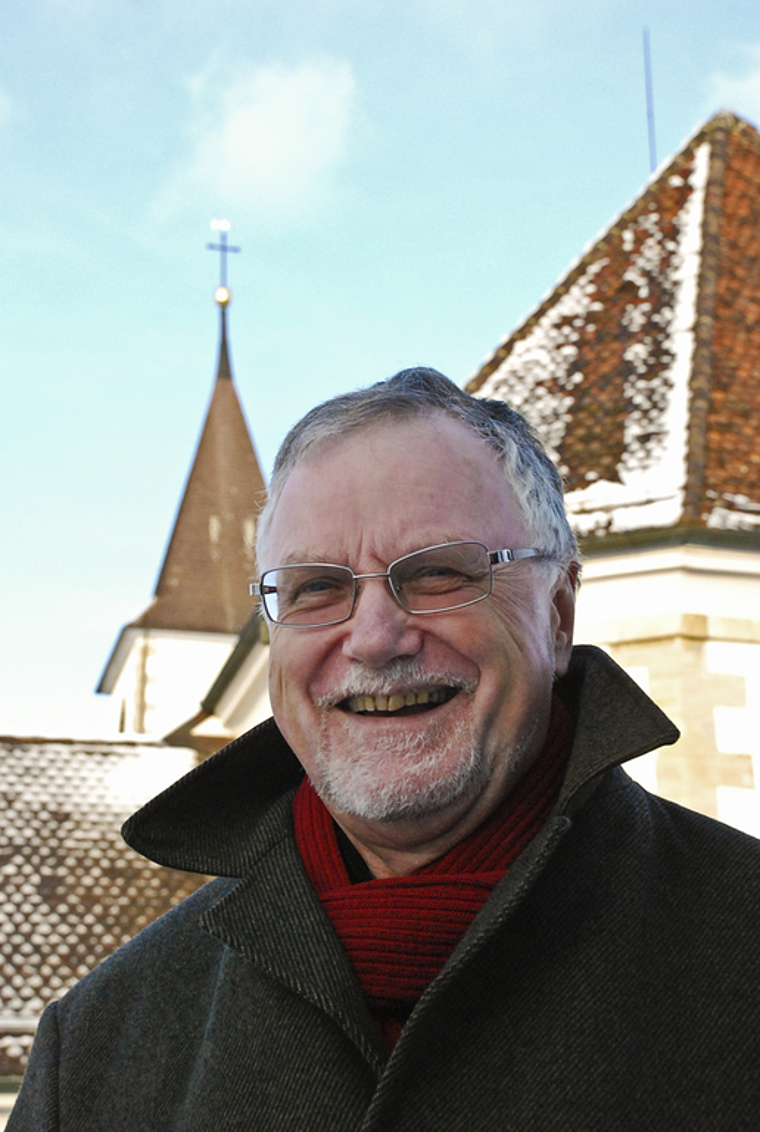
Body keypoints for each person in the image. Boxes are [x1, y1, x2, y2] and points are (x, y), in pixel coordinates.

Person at [9, 368, 760, 1131]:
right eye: (314, 589)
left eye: (437, 572)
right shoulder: (103, 1041)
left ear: (559, 614)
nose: (373, 639)